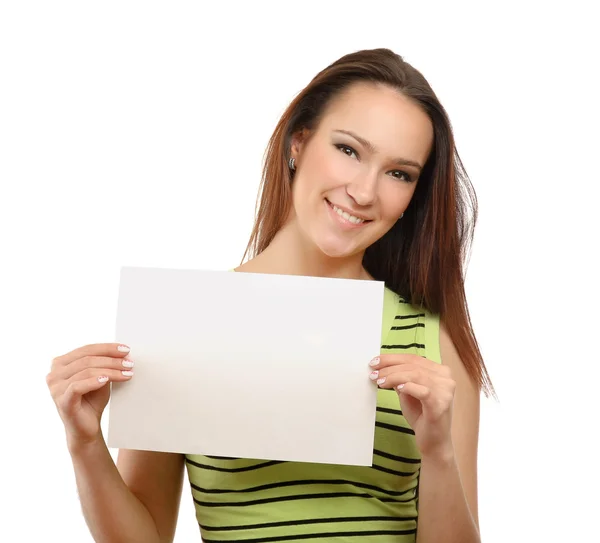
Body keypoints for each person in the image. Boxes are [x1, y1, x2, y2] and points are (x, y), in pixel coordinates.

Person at [46, 47, 495, 543]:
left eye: (399, 173)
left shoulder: (432, 342)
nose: (365, 192)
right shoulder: (185, 321)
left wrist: (437, 452)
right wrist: (85, 444)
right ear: (298, 143)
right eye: (348, 150)